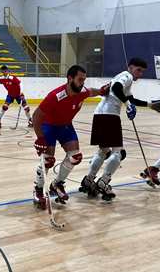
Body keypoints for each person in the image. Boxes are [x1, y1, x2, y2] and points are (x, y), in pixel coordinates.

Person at [81, 57, 160, 200]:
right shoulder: (127, 76)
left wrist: (149, 104)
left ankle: (89, 180)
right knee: (118, 153)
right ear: (130, 67)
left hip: (99, 114)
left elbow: (129, 98)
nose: (139, 74)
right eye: (138, 70)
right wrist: (127, 104)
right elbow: (116, 89)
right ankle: (104, 182)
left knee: (103, 150)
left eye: (142, 72)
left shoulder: (121, 78)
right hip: (110, 116)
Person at [32, 65, 109, 208]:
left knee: (75, 157)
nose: (82, 83)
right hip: (49, 126)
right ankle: (37, 190)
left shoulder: (82, 91)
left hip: (65, 126)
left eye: (84, 80)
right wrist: (40, 138)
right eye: (80, 80)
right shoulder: (56, 96)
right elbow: (36, 116)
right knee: (48, 161)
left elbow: (92, 91)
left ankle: (57, 184)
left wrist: (102, 91)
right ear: (69, 79)